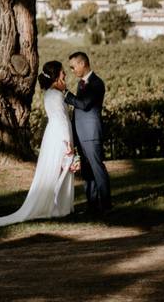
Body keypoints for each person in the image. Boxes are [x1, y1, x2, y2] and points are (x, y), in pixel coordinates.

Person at [0, 60, 79, 226]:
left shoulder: (51, 93)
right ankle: (58, 207)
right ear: (56, 75)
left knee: (59, 169)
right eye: (62, 71)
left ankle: (57, 206)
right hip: (60, 135)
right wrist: (68, 142)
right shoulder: (56, 95)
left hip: (54, 133)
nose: (65, 74)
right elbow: (62, 119)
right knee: (62, 168)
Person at [64, 51, 112, 215]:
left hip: (91, 133)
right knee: (87, 171)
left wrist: (66, 94)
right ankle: (92, 206)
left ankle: (106, 205)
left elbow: (84, 104)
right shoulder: (81, 83)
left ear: (82, 64)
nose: (72, 70)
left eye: (73, 67)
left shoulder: (96, 83)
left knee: (97, 168)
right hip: (81, 134)